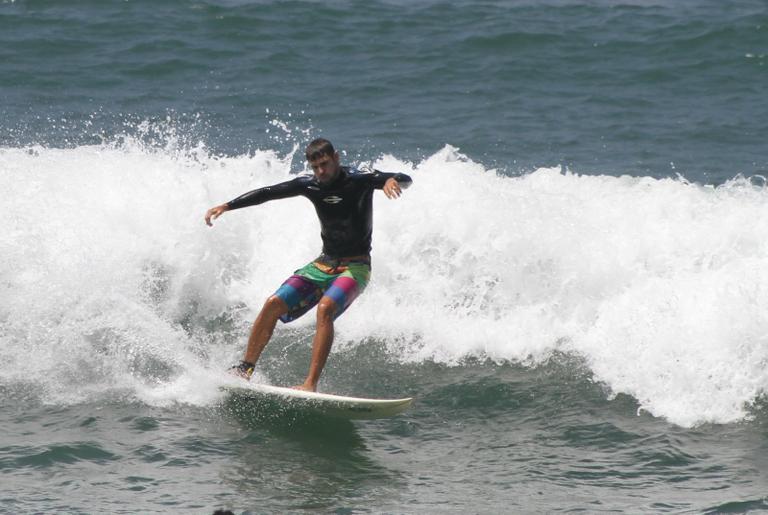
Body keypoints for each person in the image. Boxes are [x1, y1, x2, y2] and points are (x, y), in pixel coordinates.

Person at [204, 138, 412, 392]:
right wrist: (227, 205)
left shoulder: (361, 179)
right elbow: (268, 193)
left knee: (325, 309)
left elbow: (403, 178)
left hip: (356, 267)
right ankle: (244, 369)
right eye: (316, 168)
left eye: (325, 164)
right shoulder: (310, 185)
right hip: (323, 264)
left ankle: (309, 384)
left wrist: (391, 180)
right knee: (273, 304)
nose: (321, 172)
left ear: (336, 157)